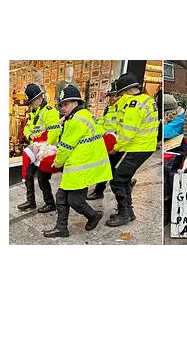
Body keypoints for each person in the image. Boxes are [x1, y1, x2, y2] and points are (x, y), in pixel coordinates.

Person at [41, 85, 112, 238]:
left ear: (75, 103)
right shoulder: (85, 115)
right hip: (84, 164)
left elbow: (65, 147)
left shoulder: (74, 122)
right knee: (62, 196)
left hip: (81, 167)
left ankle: (93, 215)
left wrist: (57, 163)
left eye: (65, 104)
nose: (62, 108)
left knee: (75, 200)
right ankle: (62, 228)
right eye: (60, 105)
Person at [104, 73, 159, 227]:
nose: (120, 97)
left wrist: (115, 148)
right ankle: (129, 212)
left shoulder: (133, 105)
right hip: (145, 146)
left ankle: (123, 214)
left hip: (138, 147)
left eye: (121, 94)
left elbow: (127, 132)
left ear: (126, 91)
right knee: (125, 177)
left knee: (117, 180)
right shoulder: (147, 100)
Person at [17, 83, 61, 213]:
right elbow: (26, 129)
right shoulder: (33, 112)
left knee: (42, 179)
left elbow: (53, 134)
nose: (31, 105)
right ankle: (31, 201)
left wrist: (40, 146)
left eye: (32, 102)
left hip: (46, 151)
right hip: (35, 148)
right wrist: (31, 137)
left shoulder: (50, 112)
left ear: (39, 99)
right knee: (28, 175)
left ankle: (50, 203)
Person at [86, 80, 120, 200]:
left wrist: (116, 146)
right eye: (110, 96)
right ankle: (125, 181)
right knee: (107, 166)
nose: (111, 99)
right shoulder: (108, 109)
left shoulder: (124, 109)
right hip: (107, 141)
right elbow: (102, 123)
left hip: (119, 143)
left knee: (108, 167)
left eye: (114, 95)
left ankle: (100, 191)